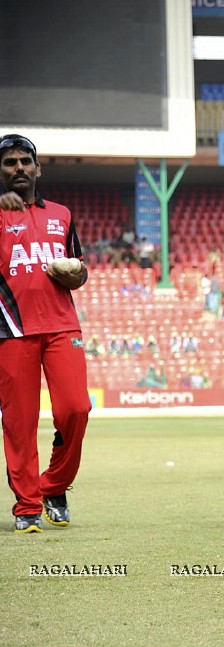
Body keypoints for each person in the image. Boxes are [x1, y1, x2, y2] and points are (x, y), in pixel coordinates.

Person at [0, 134, 91, 533]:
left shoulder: (63, 214)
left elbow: (80, 268)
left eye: (25, 161)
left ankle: (53, 485)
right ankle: (27, 506)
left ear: (38, 168)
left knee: (76, 409)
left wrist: (78, 274)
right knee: (20, 423)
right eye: (9, 163)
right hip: (11, 330)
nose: (18, 168)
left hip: (62, 326)